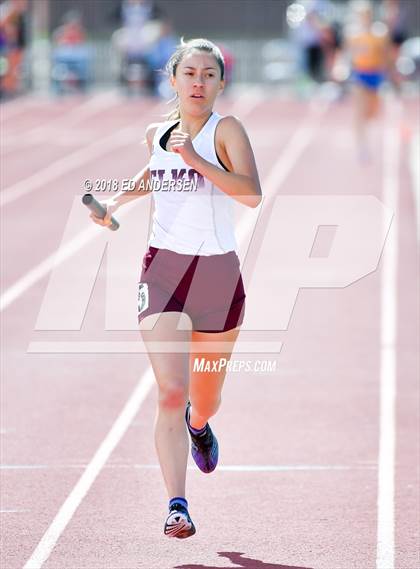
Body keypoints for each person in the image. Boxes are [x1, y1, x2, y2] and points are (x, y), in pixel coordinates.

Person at [89, 38, 262, 539]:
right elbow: (155, 173)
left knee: (204, 399)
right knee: (170, 390)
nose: (199, 83)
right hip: (163, 272)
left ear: (221, 83)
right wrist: (113, 205)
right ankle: (177, 506)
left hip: (216, 275)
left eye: (209, 74)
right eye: (190, 73)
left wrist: (199, 161)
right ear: (173, 80)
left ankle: (199, 425)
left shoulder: (225, 130)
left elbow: (251, 193)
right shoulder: (157, 133)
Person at [343, 0, 393, 162]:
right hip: (360, 74)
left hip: (376, 75)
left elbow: (386, 54)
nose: (364, 17)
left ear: (371, 15)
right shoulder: (352, 33)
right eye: (361, 14)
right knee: (359, 112)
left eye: (367, 14)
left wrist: (390, 73)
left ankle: (364, 139)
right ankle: (362, 147)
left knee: (372, 114)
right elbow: (347, 54)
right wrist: (342, 69)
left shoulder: (380, 32)